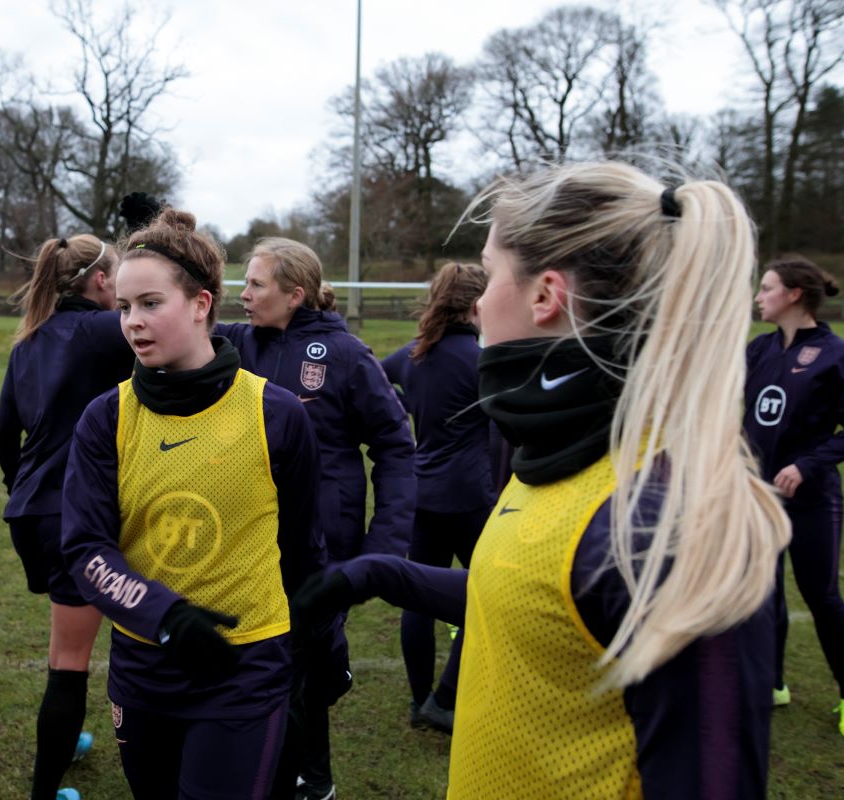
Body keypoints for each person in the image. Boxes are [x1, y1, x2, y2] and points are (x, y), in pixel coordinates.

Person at [293, 161, 791, 798]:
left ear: (545, 294)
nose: (478, 299)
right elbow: (536, 600)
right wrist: (375, 575)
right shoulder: (560, 458)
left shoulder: (660, 527)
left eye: (491, 270)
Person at [60, 209, 327, 799]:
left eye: (151, 303)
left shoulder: (277, 413)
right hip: (144, 669)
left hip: (246, 668)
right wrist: (164, 616)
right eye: (124, 307)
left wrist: (319, 652)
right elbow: (86, 550)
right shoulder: (106, 418)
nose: (133, 322)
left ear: (201, 304)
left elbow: (304, 551)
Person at [213, 237, 415, 800]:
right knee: (277, 663)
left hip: (323, 544)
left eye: (255, 284)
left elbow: (396, 447)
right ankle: (303, 755)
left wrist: (385, 544)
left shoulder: (346, 356)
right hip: (248, 540)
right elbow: (177, 306)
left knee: (297, 663)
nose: (243, 294)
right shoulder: (233, 344)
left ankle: (313, 779)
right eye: (243, 282)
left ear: (294, 293)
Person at [0, 233, 135, 800]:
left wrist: (23, 490)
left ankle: (67, 735)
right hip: (75, 516)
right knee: (72, 663)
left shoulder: (28, 340)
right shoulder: (102, 330)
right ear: (101, 281)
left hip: (31, 512)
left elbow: (6, 434)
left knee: (63, 650)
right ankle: (44, 791)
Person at [379, 261, 493, 733]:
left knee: (419, 601)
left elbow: (375, 380)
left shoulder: (414, 354)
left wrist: (405, 408)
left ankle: (420, 701)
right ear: (474, 304)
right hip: (470, 496)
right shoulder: (484, 360)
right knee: (485, 594)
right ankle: (444, 698)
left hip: (421, 492)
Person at [743, 255, 844, 739]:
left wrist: (808, 465)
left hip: (810, 500)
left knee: (822, 596)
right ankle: (774, 683)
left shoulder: (836, 354)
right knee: (763, 593)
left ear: (793, 294)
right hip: (758, 497)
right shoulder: (759, 350)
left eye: (766, 288)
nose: (759, 296)